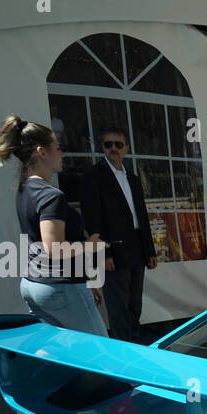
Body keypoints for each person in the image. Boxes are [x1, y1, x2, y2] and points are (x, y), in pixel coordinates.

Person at [0, 115, 107, 336]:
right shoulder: (51, 196)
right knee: (99, 353)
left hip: (33, 283)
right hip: (60, 287)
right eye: (57, 147)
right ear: (41, 152)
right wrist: (91, 245)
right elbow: (54, 248)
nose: (62, 153)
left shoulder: (24, 189)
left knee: (56, 352)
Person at [80, 125, 157, 342]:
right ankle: (124, 347)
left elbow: (141, 215)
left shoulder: (132, 178)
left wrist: (149, 250)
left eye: (118, 144)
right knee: (117, 304)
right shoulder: (93, 176)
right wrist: (103, 254)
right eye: (108, 144)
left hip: (136, 246)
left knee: (135, 302)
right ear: (103, 147)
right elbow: (92, 219)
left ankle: (134, 342)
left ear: (126, 148)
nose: (113, 149)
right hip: (112, 249)